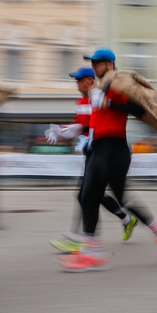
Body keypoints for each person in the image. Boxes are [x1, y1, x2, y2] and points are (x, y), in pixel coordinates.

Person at [58, 48, 157, 272]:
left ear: (110, 64)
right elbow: (97, 121)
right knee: (118, 199)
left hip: (113, 148)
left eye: (98, 62)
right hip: (102, 147)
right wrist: (75, 130)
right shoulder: (98, 87)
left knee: (89, 196)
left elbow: (137, 108)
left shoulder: (117, 83)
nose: (94, 66)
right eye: (92, 63)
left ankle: (91, 253)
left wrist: (108, 102)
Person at [47, 66, 138, 253]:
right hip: (90, 151)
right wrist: (62, 131)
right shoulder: (81, 100)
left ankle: (81, 239)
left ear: (90, 80)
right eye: (76, 80)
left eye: (80, 80)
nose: (77, 84)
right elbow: (79, 124)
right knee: (93, 194)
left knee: (85, 195)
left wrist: (81, 130)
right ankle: (126, 219)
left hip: (103, 151)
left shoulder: (99, 96)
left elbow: (99, 123)